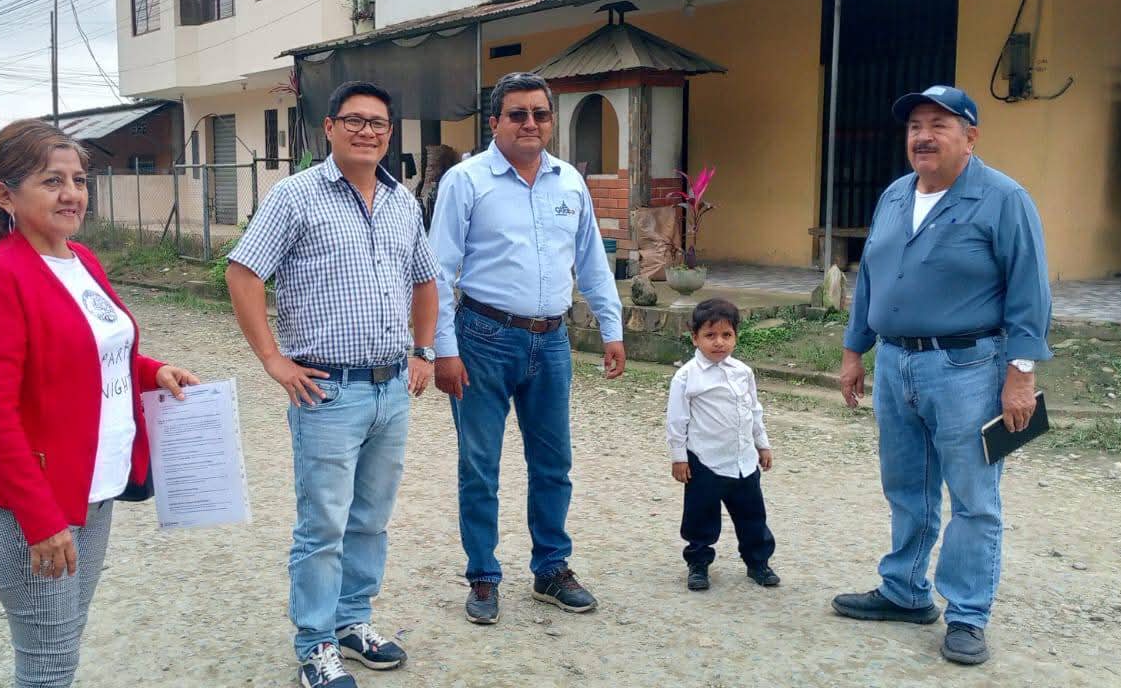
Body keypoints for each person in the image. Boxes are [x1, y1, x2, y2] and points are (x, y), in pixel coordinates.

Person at [0, 119, 200, 687]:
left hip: (94, 492)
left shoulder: (82, 260)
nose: (72, 194)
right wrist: (41, 521)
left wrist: (150, 370)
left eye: (79, 180)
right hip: (31, 508)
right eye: (52, 181)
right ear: (5, 196)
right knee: (48, 665)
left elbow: (90, 351)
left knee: (62, 646)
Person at [225, 81, 439, 688]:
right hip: (327, 392)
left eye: (378, 123)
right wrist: (273, 359)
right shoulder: (296, 197)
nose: (367, 131)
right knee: (323, 525)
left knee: (371, 518)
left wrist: (424, 351)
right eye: (354, 120)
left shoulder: (401, 202)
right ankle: (315, 642)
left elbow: (426, 280)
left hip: (390, 389)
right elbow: (244, 273)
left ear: (390, 133)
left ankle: (352, 621)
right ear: (329, 127)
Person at [834, 85, 1051, 666]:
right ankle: (905, 591)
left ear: (970, 137)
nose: (923, 137)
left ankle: (967, 615)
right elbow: (871, 278)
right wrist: (855, 351)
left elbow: (1030, 291)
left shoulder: (1003, 199)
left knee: (974, 497)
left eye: (939, 125)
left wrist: (1021, 375)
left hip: (968, 367)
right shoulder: (894, 195)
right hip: (894, 362)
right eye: (914, 127)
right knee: (906, 484)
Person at [429, 72, 626, 625]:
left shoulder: (570, 183)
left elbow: (591, 262)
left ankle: (551, 568)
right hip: (483, 339)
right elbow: (439, 270)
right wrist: (443, 349)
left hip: (552, 341)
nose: (530, 123)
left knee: (553, 463)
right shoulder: (466, 181)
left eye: (540, 113)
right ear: (495, 122)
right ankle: (483, 576)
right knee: (479, 465)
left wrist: (611, 329)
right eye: (517, 114)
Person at [666, 298, 780, 592]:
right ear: (695, 337)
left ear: (736, 336)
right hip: (706, 461)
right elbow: (677, 420)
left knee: (753, 516)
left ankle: (758, 563)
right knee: (700, 518)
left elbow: (753, 410)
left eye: (726, 335)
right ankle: (698, 564)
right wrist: (679, 457)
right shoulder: (686, 377)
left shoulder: (743, 372)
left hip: (743, 461)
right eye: (710, 335)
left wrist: (762, 445)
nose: (719, 342)